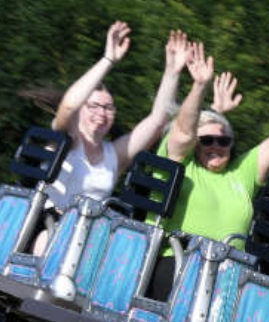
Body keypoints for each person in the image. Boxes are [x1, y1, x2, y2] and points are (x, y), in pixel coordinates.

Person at [161, 42, 269, 244]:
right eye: (206, 140)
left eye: (223, 141)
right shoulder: (181, 164)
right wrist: (200, 86)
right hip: (178, 261)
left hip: (229, 271)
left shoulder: (240, 174)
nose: (215, 145)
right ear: (195, 144)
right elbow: (183, 132)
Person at [44, 22, 186, 217]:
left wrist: (172, 71)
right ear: (79, 110)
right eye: (93, 106)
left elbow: (157, 121)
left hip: (86, 238)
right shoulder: (64, 138)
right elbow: (69, 105)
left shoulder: (115, 155)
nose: (101, 113)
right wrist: (108, 59)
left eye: (108, 107)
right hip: (46, 226)